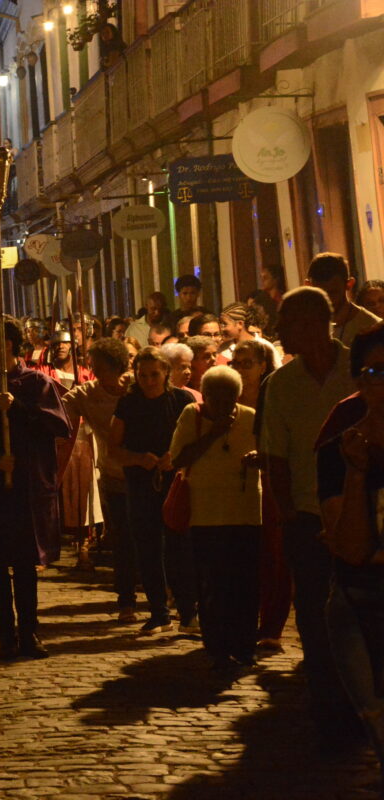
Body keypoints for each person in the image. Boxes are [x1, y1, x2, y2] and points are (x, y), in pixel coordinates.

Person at [260, 286, 361, 749]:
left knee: (364, 611)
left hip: (363, 511)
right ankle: (330, 708)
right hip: (306, 515)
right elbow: (275, 456)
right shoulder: (280, 385)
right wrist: (287, 516)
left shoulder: (359, 369)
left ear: (314, 323)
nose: (280, 332)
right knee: (315, 619)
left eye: (287, 322)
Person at [0, 316, 70, 659]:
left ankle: (29, 632)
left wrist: (17, 408)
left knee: (23, 563)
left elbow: (57, 425)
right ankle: (5, 632)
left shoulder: (37, 383)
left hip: (27, 486)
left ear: (7, 344)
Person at [317, 325, 384, 778]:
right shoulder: (339, 451)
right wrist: (358, 475)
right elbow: (352, 548)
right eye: (375, 371)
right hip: (363, 604)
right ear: (359, 380)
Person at [169, 366, 262, 669]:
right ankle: (218, 645)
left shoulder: (250, 417)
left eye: (229, 400)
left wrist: (259, 459)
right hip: (205, 513)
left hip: (246, 512)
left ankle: (245, 645)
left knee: (245, 583)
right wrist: (213, 433)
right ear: (205, 396)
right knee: (212, 582)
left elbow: (271, 453)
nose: (223, 407)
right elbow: (179, 458)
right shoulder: (191, 415)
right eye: (216, 400)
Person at [110, 347, 198, 635]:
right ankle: (159, 612)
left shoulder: (181, 400)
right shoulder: (128, 404)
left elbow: (196, 442)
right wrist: (138, 458)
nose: (149, 380)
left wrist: (175, 457)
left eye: (154, 374)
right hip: (139, 484)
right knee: (147, 549)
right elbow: (114, 447)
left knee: (180, 549)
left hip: (175, 483)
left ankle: (188, 613)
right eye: (143, 374)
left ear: (166, 374)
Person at [63, 338, 134, 619]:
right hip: (113, 476)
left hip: (146, 474)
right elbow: (59, 409)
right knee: (123, 541)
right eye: (93, 367)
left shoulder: (136, 388)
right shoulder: (86, 394)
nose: (95, 372)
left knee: (152, 540)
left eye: (100, 367)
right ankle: (126, 600)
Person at [230, 340, 289, 652]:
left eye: (247, 363)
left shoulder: (275, 392)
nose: (240, 369)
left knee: (275, 555)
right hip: (237, 484)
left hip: (270, 481)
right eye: (236, 363)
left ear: (263, 364)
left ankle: (271, 625)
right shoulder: (229, 397)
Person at [306, 252, 381, 347]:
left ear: (349, 284)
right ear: (308, 286)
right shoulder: (304, 328)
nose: (327, 300)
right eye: (319, 294)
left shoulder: (372, 328)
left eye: (333, 292)